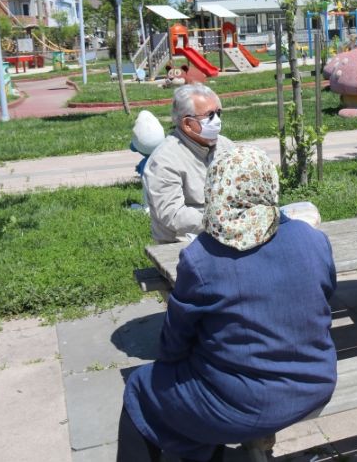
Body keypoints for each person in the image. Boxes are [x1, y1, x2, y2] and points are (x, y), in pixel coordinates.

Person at [119, 146, 338, 461]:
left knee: (141, 387)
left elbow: (175, 340)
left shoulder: (202, 257)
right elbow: (324, 294)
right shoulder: (312, 238)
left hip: (245, 403)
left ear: (216, 189)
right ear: (268, 185)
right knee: (199, 386)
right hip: (317, 383)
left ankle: (199, 448)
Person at [142, 84, 235, 244]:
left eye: (218, 113)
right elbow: (172, 214)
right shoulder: (164, 160)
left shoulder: (226, 146)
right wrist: (220, 223)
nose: (217, 121)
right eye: (210, 116)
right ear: (187, 123)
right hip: (186, 244)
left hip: (229, 234)